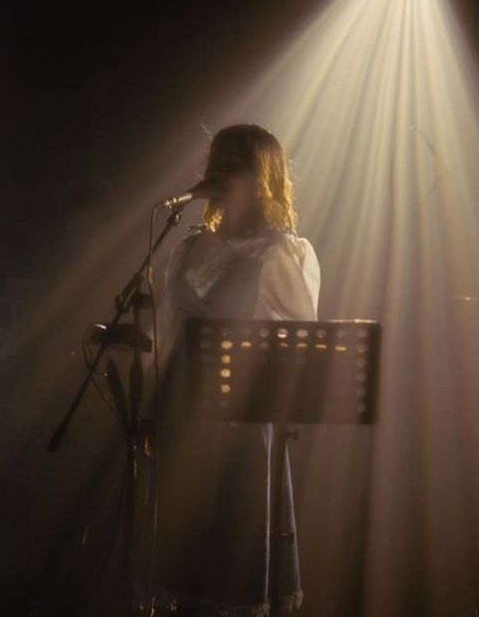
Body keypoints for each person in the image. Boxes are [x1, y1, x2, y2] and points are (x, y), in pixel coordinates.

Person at [145, 124, 320, 617]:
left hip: (244, 416)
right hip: (184, 407)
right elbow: (166, 334)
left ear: (263, 177)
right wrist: (150, 404)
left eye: (236, 164)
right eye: (217, 162)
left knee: (234, 540)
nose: (221, 173)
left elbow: (298, 338)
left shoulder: (283, 252)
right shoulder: (189, 247)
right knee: (184, 548)